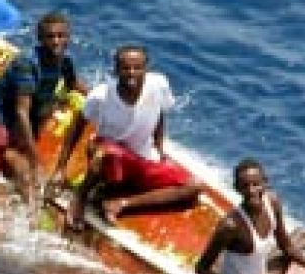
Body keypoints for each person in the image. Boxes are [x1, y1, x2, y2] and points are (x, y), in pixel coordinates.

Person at [48, 44, 203, 232]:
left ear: (146, 69)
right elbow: (77, 126)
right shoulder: (101, 95)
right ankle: (82, 197)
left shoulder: (159, 84)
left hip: (140, 159)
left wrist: (159, 148)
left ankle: (122, 203)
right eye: (125, 68)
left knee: (194, 187)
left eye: (137, 68)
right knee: (108, 152)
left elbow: (160, 112)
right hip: (107, 157)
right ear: (116, 70)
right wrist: (60, 168)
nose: (131, 73)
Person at [0, 11, 88, 219]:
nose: (56, 42)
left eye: (61, 36)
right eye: (50, 37)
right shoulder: (27, 64)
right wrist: (34, 158)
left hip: (16, 133)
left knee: (28, 188)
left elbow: (73, 84)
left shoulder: (65, 62)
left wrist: (97, 99)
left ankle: (28, 231)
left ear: (68, 37)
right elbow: (22, 112)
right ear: (40, 39)